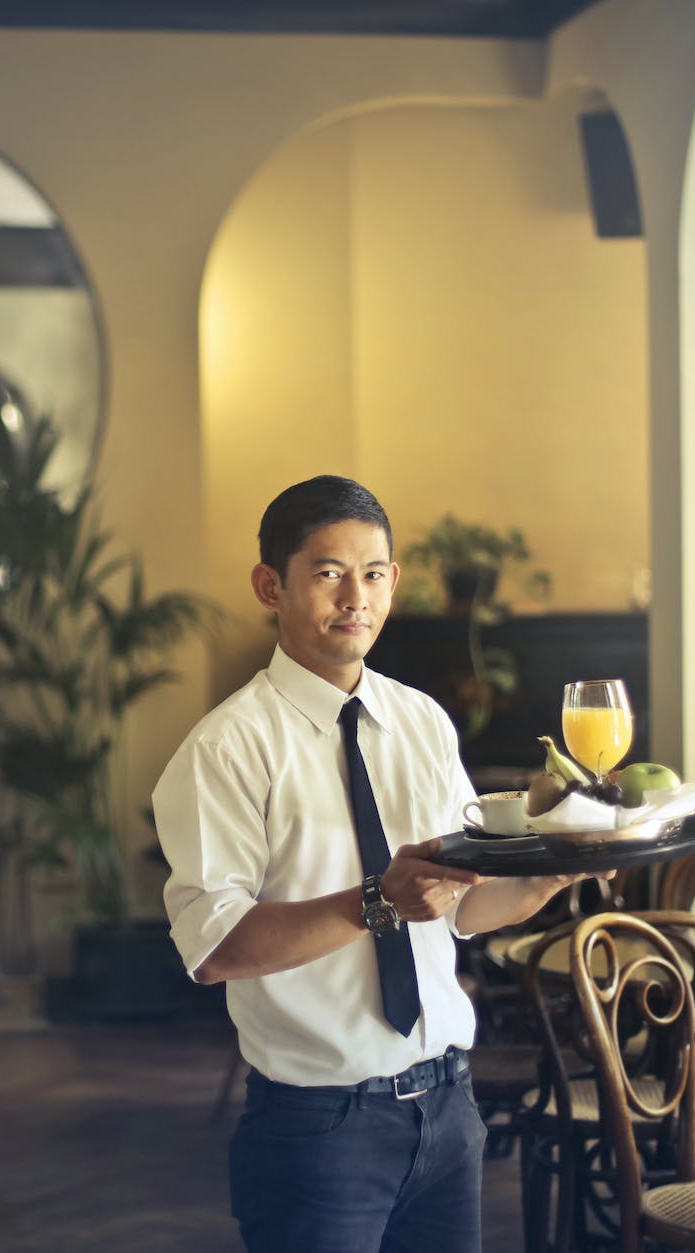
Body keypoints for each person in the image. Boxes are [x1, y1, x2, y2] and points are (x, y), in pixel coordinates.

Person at [152, 475, 595, 1253]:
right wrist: (375, 902)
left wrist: (558, 869)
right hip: (319, 1126)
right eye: (328, 572)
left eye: (375, 572)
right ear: (271, 585)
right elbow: (215, 949)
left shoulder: (421, 720)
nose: (356, 596)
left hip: (450, 1109)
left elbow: (463, 907)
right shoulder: (225, 748)